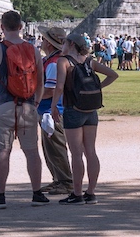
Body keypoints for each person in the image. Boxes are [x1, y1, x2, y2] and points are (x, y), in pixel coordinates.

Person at [0, 11, 48, 209]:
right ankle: (37, 193)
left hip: (4, 105)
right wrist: (36, 101)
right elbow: (40, 80)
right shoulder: (33, 49)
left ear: (2, 27)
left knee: (3, 152)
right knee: (32, 152)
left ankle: (0, 195)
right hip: (27, 105)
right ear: (21, 27)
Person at [52, 32, 118, 204]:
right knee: (91, 151)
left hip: (73, 108)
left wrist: (53, 106)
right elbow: (113, 74)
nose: (63, 45)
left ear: (72, 44)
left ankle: (77, 193)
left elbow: (59, 87)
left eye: (65, 42)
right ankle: (91, 192)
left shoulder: (64, 61)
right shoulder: (89, 61)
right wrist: (98, 87)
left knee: (76, 153)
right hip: (91, 109)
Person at [37, 26, 73, 196]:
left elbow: (51, 90)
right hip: (48, 110)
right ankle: (58, 179)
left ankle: (65, 181)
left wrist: (32, 96)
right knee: (49, 147)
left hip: (52, 110)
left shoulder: (53, 62)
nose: (41, 41)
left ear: (49, 43)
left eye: (44, 39)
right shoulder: (52, 59)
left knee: (56, 147)